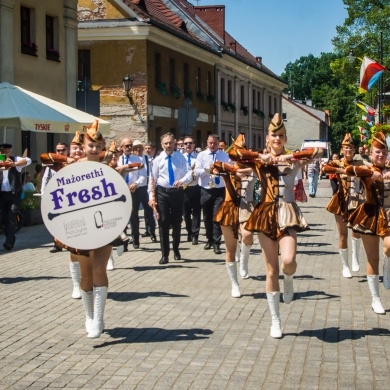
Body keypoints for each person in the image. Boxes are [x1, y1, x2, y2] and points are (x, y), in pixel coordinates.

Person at [229, 113, 322, 338]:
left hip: (287, 211)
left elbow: (318, 151)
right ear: (268, 138)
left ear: (285, 137)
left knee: (288, 261)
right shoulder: (259, 159)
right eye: (273, 135)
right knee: (271, 270)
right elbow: (234, 152)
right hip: (266, 213)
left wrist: (288, 158)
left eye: (281, 135)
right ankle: (275, 320)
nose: (277, 138)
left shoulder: (294, 158)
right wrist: (262, 157)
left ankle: (289, 279)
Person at [340, 132, 390, 314]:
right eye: (377, 151)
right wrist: (372, 173)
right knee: (372, 258)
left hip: (388, 215)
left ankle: (388, 265)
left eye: (384, 152)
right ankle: (375, 299)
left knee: (389, 247)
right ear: (370, 152)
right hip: (369, 215)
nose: (381, 155)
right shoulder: (365, 167)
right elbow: (349, 171)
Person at [323, 134, 364, 278]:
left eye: (351, 148)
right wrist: (342, 170)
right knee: (342, 235)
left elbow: (370, 171)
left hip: (356, 201)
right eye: (346, 148)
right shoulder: (337, 163)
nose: (348, 150)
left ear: (354, 150)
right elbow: (325, 168)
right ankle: (345, 266)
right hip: (340, 201)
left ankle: (355, 257)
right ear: (342, 150)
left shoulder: (359, 163)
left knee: (356, 231)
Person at [149, 133, 192, 264]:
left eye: (170, 143)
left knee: (177, 222)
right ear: (162, 145)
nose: (168, 145)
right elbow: (152, 179)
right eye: (166, 143)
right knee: (163, 223)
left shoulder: (181, 158)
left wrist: (182, 181)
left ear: (174, 144)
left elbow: (190, 173)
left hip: (177, 193)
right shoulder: (157, 160)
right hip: (162, 193)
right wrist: (151, 197)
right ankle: (165, 254)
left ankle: (176, 249)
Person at [195, 134, 230, 254]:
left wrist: (221, 169)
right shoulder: (201, 155)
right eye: (210, 143)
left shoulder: (224, 155)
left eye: (215, 143)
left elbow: (230, 169)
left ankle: (216, 243)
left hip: (219, 189)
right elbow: (197, 171)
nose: (212, 145)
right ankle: (209, 239)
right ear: (207, 142)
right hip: (206, 189)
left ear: (218, 143)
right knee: (207, 217)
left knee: (217, 217)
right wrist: (208, 170)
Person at [117, 137, 149, 249]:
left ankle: (136, 239)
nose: (129, 148)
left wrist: (136, 184)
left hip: (133, 190)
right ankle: (123, 243)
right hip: (120, 192)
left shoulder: (138, 159)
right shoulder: (118, 159)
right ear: (121, 147)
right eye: (127, 146)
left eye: (131, 145)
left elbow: (143, 176)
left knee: (133, 216)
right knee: (122, 217)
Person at [0, 143, 32, 250]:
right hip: (2, 195)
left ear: (10, 151)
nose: (4, 154)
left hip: (14, 194)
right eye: (2, 152)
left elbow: (28, 160)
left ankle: (9, 241)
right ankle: (9, 237)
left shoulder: (15, 160)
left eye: (6, 151)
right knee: (4, 218)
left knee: (11, 217)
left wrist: (14, 164)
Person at [41, 142, 70, 253]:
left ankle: (69, 242)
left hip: (68, 196)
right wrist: (43, 194)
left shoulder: (70, 162)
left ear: (67, 150)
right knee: (56, 221)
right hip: (55, 196)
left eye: (63, 150)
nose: (60, 152)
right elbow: (45, 179)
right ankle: (57, 244)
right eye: (58, 150)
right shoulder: (51, 163)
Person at [182, 135, 201, 245]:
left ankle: (195, 235)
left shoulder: (198, 157)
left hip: (196, 187)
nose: (188, 145)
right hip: (185, 188)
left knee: (197, 212)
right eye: (186, 143)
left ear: (194, 145)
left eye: (190, 143)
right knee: (186, 213)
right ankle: (189, 231)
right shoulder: (180, 157)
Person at [141, 141, 157, 241]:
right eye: (146, 148)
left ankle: (152, 232)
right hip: (144, 186)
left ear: (154, 149)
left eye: (149, 148)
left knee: (151, 210)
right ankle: (147, 229)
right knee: (146, 211)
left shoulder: (157, 159)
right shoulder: (144, 159)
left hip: (153, 186)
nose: (147, 150)